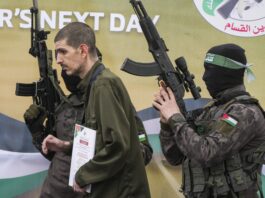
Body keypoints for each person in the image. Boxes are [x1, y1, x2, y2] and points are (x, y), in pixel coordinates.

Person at [29, 21, 151, 198]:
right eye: (56, 54)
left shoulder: (103, 85)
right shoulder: (94, 87)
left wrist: (83, 175)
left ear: (83, 51)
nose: (58, 60)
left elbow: (118, 146)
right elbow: (101, 142)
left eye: (63, 51)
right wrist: (66, 146)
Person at [153, 43, 265, 198]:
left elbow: (207, 154)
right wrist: (166, 123)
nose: (205, 77)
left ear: (225, 73)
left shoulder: (245, 113)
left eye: (209, 71)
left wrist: (174, 116)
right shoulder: (212, 110)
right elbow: (174, 157)